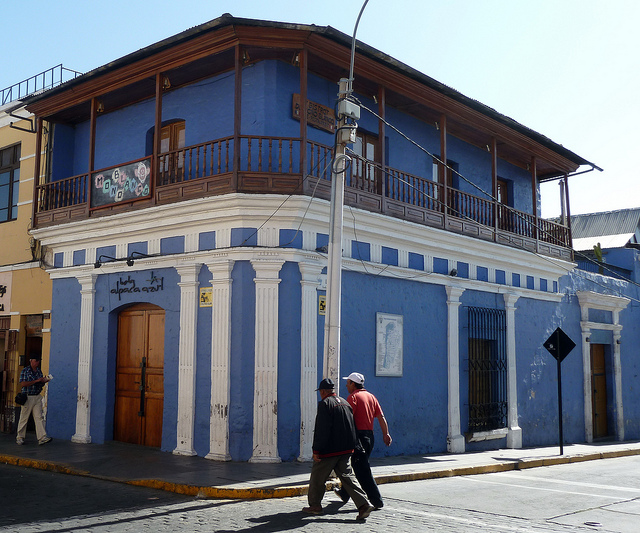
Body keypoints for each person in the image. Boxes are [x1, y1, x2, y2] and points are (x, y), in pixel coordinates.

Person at [303, 378, 374, 521]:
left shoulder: (325, 404)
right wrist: (353, 446)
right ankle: (364, 504)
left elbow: (321, 429)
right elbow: (352, 425)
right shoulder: (345, 403)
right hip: (346, 449)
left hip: (329, 450)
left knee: (317, 477)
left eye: (320, 392)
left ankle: (315, 505)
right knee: (348, 477)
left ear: (323, 392)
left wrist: (316, 450)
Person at [335, 371, 391, 509]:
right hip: (369, 437)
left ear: (353, 384)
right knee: (355, 466)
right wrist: (386, 434)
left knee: (362, 470)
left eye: (348, 383)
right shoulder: (371, 397)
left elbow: (348, 419)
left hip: (358, 437)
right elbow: (381, 417)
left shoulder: (353, 397)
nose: (346, 385)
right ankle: (344, 493)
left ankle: (376, 500)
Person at [16, 354, 52, 445]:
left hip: (37, 396)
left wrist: (44, 381)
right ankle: (20, 437)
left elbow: (40, 384)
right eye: (36, 361)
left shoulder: (39, 371)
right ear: (31, 361)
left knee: (39, 417)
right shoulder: (25, 371)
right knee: (24, 418)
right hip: (28, 397)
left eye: (38, 361)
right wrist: (36, 381)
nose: (37, 362)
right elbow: (23, 384)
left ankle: (42, 437)